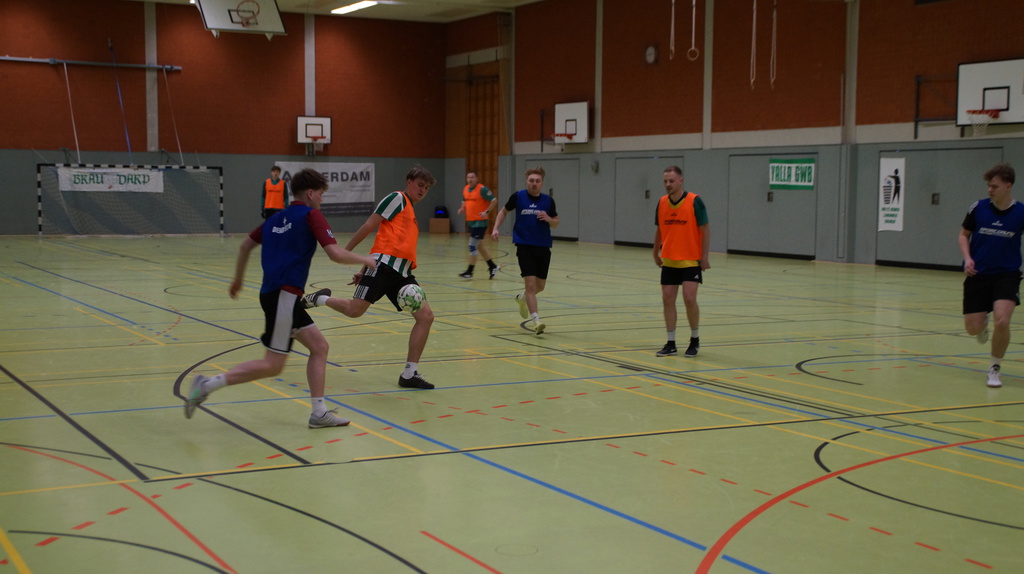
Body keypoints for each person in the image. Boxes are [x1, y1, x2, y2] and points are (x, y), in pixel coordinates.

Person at [183, 168, 377, 427]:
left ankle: (319, 413)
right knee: (273, 365)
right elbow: (335, 253)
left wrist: (238, 279)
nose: (322, 199)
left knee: (319, 347)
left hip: (276, 295)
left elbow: (245, 246)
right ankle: (206, 385)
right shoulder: (311, 215)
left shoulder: (275, 218)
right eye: (321, 194)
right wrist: (366, 259)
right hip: (284, 296)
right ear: (310, 193)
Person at [303, 166, 437, 390]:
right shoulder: (397, 198)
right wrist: (344, 252)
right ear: (409, 182)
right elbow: (369, 225)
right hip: (383, 267)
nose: (423, 190)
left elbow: (389, 241)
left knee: (426, 317)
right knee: (354, 311)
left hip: (402, 273)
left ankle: (409, 373)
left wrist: (364, 269)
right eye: (420, 185)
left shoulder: (411, 211)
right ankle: (319, 299)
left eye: (427, 188)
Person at [959, 162, 1024, 388]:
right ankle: (982, 325)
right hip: (978, 274)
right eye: (988, 185)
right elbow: (963, 235)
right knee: (973, 328)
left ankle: (994, 368)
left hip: (1007, 274)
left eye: (994, 186)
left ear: (1008, 186)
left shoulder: (1021, 212)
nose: (990, 190)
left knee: (1003, 320)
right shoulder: (978, 208)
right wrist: (967, 258)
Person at [492, 167, 559, 335]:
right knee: (530, 285)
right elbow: (503, 212)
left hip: (543, 247)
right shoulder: (518, 197)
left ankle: (521, 299)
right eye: (531, 181)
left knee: (540, 286)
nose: (534, 183)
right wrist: (495, 228)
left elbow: (556, 222)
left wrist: (549, 219)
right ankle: (537, 321)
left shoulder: (548, 201)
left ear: (542, 183)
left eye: (537, 181)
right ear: (527, 182)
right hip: (524, 246)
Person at [654, 165, 710, 358]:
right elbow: (659, 230)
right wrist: (655, 252)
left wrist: (704, 257)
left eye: (671, 181)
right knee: (667, 299)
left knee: (689, 298)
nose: (668, 184)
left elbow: (705, 229)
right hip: (669, 259)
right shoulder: (662, 203)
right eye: (665, 181)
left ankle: (694, 339)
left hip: (690, 260)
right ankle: (671, 343)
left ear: (680, 181)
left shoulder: (694, 201)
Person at [456, 170, 500, 279]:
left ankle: (469, 272)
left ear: (477, 179)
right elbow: (464, 201)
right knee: (480, 246)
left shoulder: (482, 189)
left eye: (472, 177)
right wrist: (462, 208)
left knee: (472, 246)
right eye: (468, 177)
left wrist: (486, 212)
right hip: (471, 222)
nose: (470, 179)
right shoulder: (465, 189)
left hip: (480, 222)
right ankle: (492, 266)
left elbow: (494, 200)